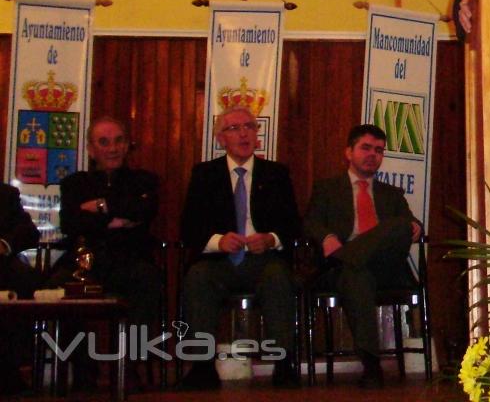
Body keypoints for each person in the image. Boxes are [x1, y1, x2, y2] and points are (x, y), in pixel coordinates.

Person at [180, 105, 302, 389]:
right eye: (235, 128)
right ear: (221, 139)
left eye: (250, 126)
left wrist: (271, 238)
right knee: (198, 276)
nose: (244, 133)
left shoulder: (275, 174)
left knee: (278, 276)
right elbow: (189, 227)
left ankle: (283, 363)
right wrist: (217, 241)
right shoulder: (205, 174)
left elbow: (293, 224)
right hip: (219, 261)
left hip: (263, 260)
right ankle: (201, 366)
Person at [304, 124, 422, 389]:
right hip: (348, 274)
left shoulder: (392, 194)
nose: (373, 155)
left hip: (386, 269)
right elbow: (310, 223)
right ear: (349, 152)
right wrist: (326, 237)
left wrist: (415, 227)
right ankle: (371, 364)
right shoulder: (327, 189)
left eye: (379, 150)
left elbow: (408, 225)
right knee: (357, 275)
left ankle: (348, 256)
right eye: (366, 148)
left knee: (401, 224)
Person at [55, 116, 161, 325]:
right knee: (55, 284)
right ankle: (77, 357)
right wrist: (117, 221)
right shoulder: (74, 183)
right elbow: (70, 223)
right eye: (104, 142)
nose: (113, 148)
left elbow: (143, 211)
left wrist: (99, 207)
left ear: (127, 146)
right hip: (84, 260)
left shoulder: (144, 180)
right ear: (91, 149)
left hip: (130, 259)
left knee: (148, 280)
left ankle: (136, 354)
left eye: (119, 141)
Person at [0, 181, 41, 395]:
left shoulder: (5, 194)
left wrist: (4, 244)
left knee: (24, 277)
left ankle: (10, 369)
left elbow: (29, 232)